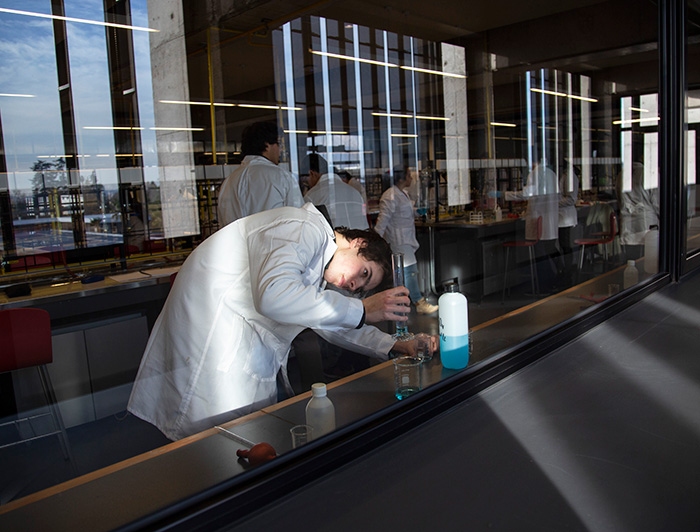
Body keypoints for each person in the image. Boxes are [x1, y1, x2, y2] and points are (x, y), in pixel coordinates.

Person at [127, 203, 417, 440]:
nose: (354, 285)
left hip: (235, 356)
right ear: (358, 243)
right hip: (210, 355)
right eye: (364, 273)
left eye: (360, 288)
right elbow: (274, 295)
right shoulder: (303, 227)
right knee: (212, 455)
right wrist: (362, 309)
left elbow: (330, 321)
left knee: (233, 451)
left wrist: (393, 344)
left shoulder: (317, 259)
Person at [374, 166, 438, 315]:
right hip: (398, 239)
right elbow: (383, 220)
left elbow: (403, 213)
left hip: (406, 238)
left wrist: (417, 212)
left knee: (405, 272)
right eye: (409, 175)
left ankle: (401, 303)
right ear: (401, 178)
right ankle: (418, 302)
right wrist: (375, 239)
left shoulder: (403, 193)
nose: (411, 178)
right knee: (410, 271)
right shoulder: (390, 196)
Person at [217, 121, 303, 226]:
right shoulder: (281, 177)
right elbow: (300, 221)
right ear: (267, 145)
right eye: (279, 144)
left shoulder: (228, 182)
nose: (281, 150)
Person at [302, 154, 369, 229]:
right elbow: (365, 227)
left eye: (306, 181)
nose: (308, 184)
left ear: (311, 173)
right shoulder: (355, 192)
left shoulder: (311, 197)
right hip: (359, 236)